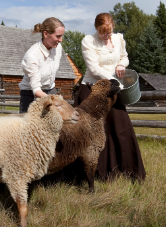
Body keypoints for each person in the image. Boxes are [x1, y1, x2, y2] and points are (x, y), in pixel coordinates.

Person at [78, 13, 146, 181]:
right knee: (92, 132)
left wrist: (122, 64)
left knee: (121, 128)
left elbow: (124, 56)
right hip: (93, 89)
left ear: (113, 28)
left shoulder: (118, 39)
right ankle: (91, 174)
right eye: (102, 32)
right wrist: (113, 80)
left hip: (114, 89)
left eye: (109, 32)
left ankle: (125, 171)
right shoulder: (88, 41)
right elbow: (94, 68)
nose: (106, 36)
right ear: (96, 28)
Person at [18, 17, 65, 113]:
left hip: (50, 90)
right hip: (31, 95)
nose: (61, 40)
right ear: (46, 34)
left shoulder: (58, 47)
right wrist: (54, 101)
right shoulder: (32, 56)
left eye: (62, 36)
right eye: (58, 36)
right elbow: (36, 90)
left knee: (55, 124)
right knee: (29, 126)